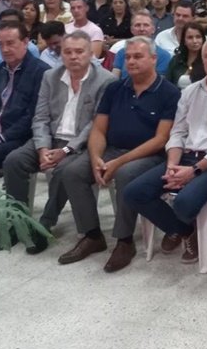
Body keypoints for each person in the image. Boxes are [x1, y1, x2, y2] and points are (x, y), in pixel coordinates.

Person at [57, 36, 181, 271]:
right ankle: (92, 235)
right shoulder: (114, 88)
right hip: (111, 150)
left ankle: (124, 241)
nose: (131, 61)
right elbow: (98, 129)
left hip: (149, 156)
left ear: (153, 59)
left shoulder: (169, 92)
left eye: (138, 56)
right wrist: (96, 158)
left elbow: (161, 139)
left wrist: (118, 162)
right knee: (72, 172)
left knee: (125, 174)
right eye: (128, 57)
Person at [124, 36, 207, 265]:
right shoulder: (190, 91)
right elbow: (178, 131)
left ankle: (177, 227)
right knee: (133, 192)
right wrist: (172, 165)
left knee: (183, 203)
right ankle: (184, 231)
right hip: (184, 156)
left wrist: (194, 171)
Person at [1, 31, 114, 253]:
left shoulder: (106, 80)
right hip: (50, 138)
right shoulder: (50, 76)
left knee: (64, 170)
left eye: (79, 51)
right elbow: (40, 117)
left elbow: (96, 124)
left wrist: (66, 150)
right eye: (67, 52)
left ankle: (45, 223)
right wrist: (43, 148)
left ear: (91, 53)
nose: (73, 57)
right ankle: (18, 222)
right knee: (13, 161)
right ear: (61, 54)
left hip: (82, 144)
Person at [0, 22, 49, 191]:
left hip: (19, 138)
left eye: (10, 43)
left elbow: (33, 116)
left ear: (25, 42)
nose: (5, 49)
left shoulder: (41, 72)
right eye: (0, 44)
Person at [111, 12, 172, 79]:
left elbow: (159, 81)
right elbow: (115, 78)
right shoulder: (121, 52)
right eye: (137, 25)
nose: (142, 29)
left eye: (146, 25)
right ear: (131, 30)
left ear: (153, 29)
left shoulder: (164, 56)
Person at [166, 22, 206, 88]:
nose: (195, 41)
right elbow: (167, 85)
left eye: (198, 37)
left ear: (203, 39)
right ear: (184, 41)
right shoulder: (175, 61)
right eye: (190, 37)